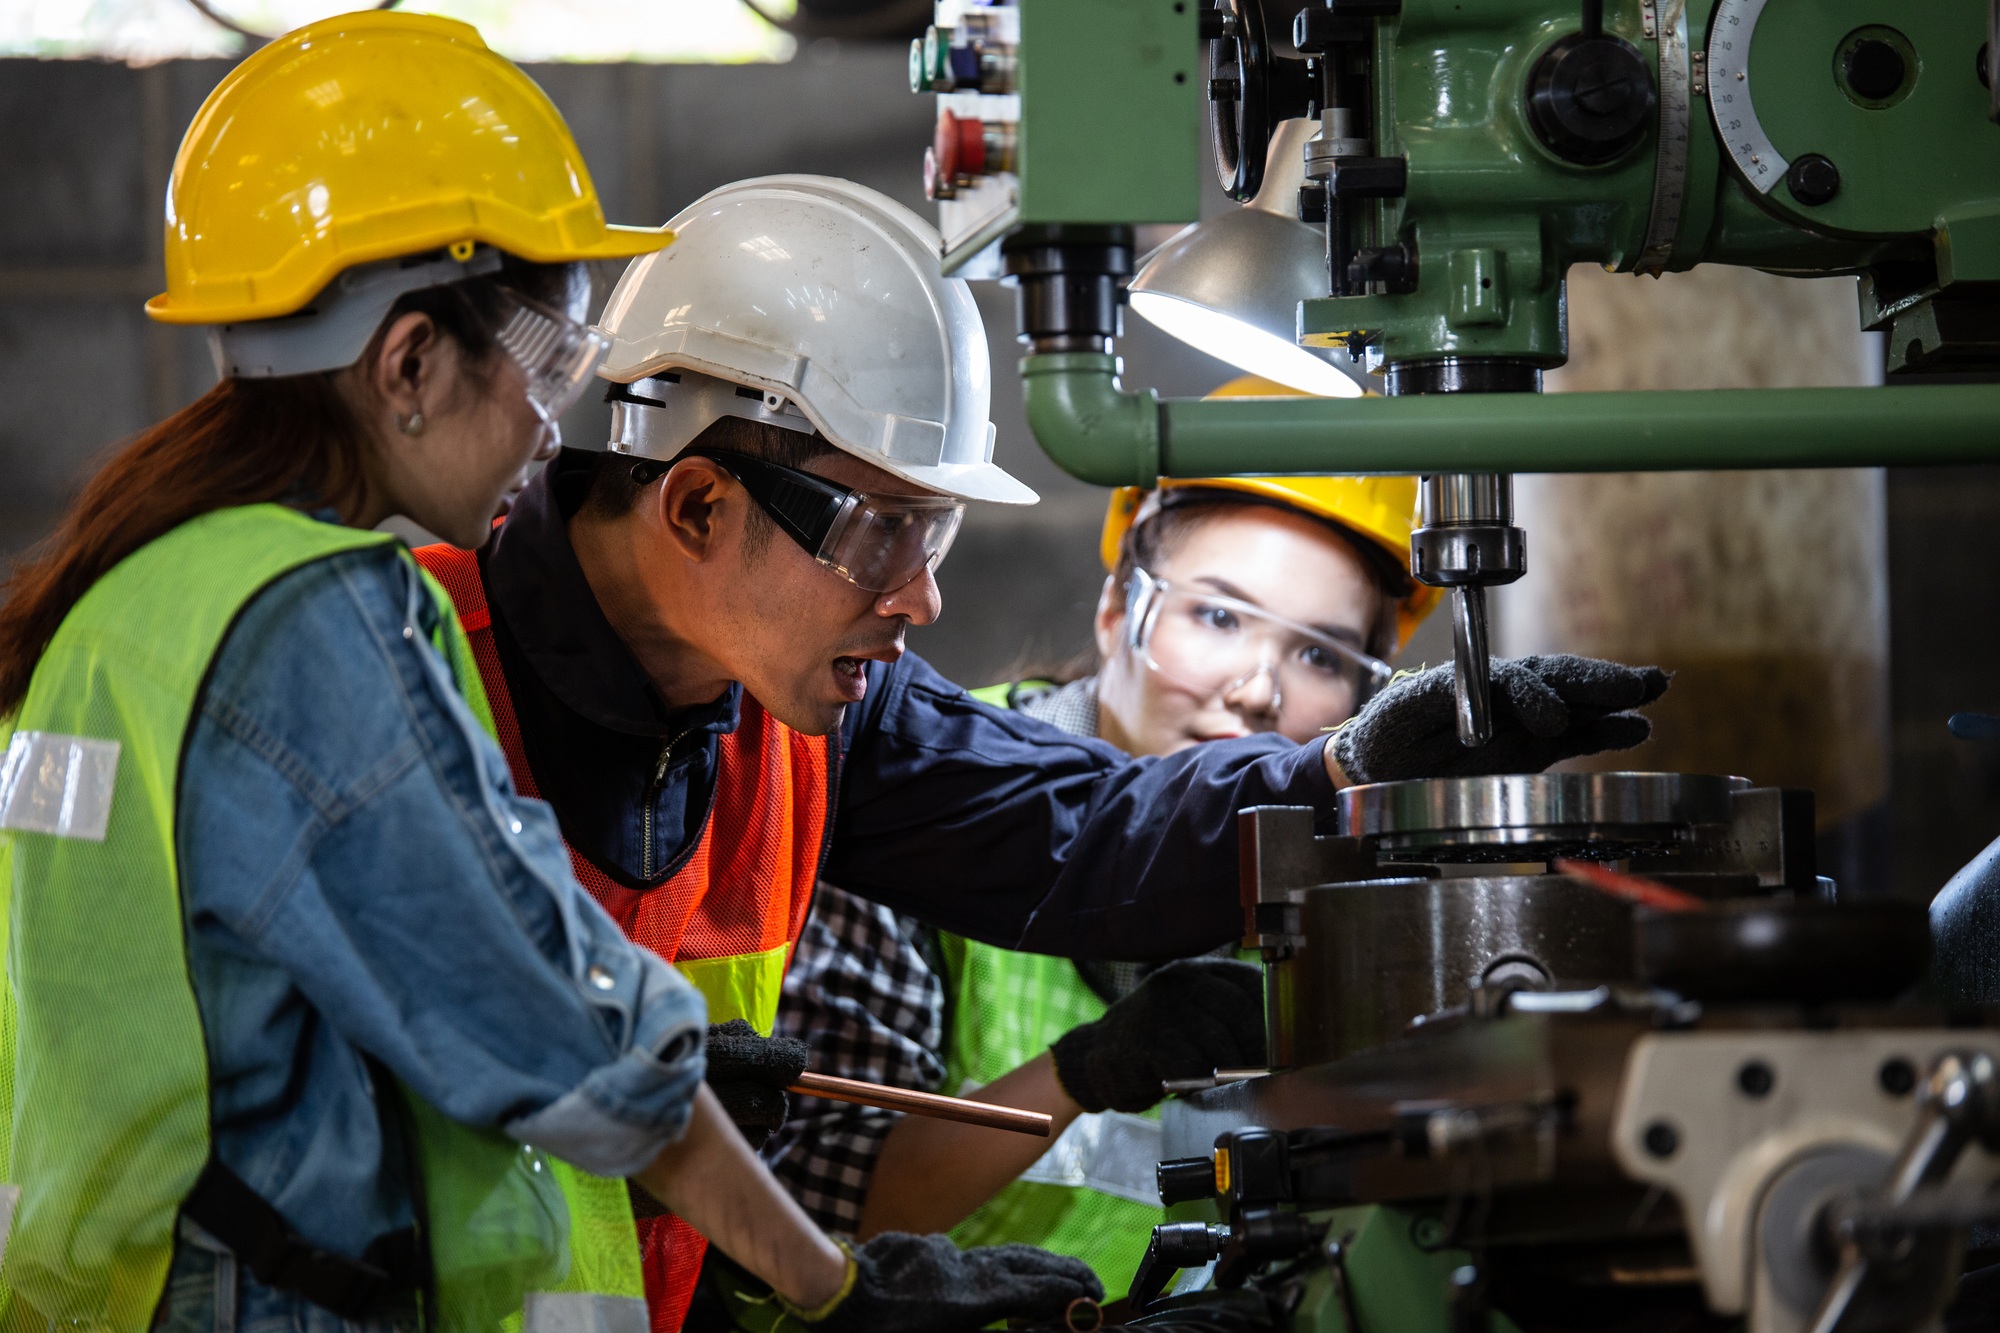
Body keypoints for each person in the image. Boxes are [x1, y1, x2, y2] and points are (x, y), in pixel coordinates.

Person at [411, 172, 1670, 1332]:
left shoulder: (820, 717)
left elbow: (1088, 838)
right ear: (695, 503)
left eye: (938, 538)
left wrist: (1342, 768)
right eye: (884, 534)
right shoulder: (405, 660)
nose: (921, 602)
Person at [0, 17, 1098, 1333]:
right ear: (409, 364)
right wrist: (835, 1291)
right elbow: (564, 1034)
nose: (553, 423)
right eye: (548, 366)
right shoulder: (320, 619)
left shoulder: (136, 597)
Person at [767, 426, 1441, 1296]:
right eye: (1219, 615)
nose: (1257, 688)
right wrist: (1082, 1071)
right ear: (1119, 607)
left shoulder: (1340, 886)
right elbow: (817, 1204)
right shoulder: (915, 805)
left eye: (1319, 653)